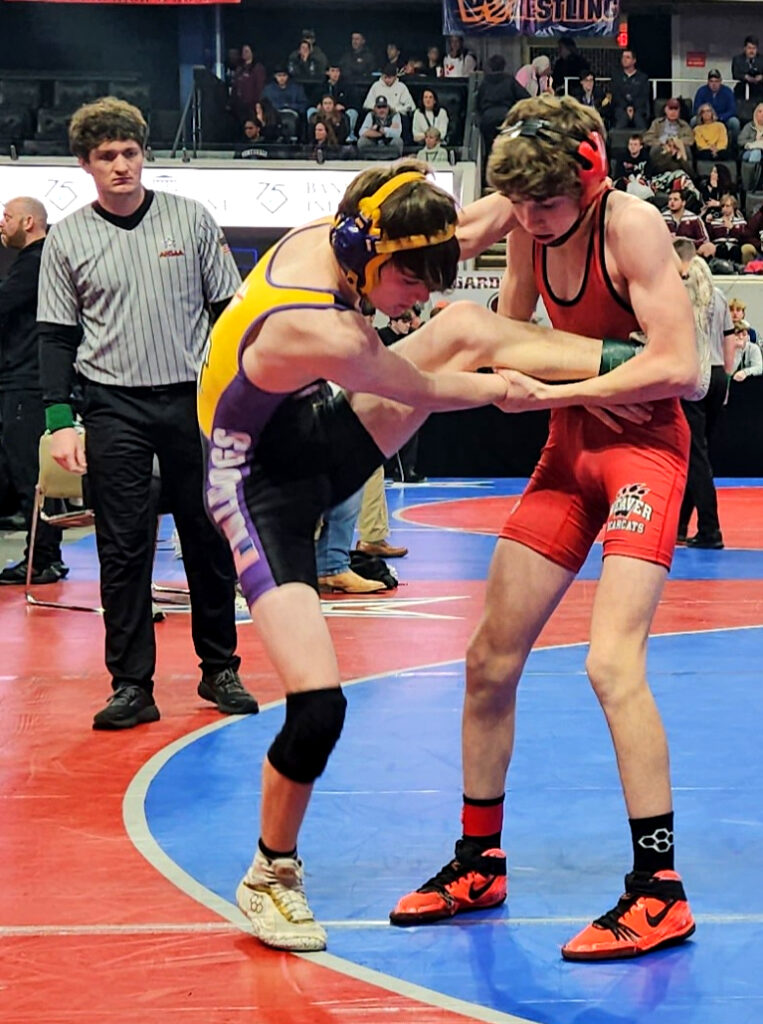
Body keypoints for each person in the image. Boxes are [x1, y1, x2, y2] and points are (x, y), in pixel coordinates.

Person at [198, 158, 649, 953]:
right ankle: (271, 871)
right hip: (253, 484)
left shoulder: (355, 239)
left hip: (310, 430)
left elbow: (482, 219)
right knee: (319, 705)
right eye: (412, 283)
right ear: (371, 258)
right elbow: (423, 390)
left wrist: (548, 168)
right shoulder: (317, 322)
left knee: (468, 330)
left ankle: (643, 362)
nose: (424, 297)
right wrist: (514, 390)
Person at [390, 96, 701, 963]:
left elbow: (682, 369)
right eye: (519, 208)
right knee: (488, 659)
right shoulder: (528, 223)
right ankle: (477, 860)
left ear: (589, 178)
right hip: (572, 451)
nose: (530, 222)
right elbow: (506, 336)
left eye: (547, 206)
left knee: (610, 664)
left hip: (642, 452)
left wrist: (560, 388)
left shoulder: (630, 226)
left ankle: (659, 890)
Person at [37, 97, 259, 730]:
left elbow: (229, 317)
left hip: (193, 400)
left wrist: (242, 399)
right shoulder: (68, 239)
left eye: (130, 153)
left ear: (145, 155)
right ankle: (132, 684)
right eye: (106, 156)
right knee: (124, 547)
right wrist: (58, 422)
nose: (120, 166)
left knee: (208, 537)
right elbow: (55, 336)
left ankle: (219, 668)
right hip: (112, 405)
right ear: (86, 164)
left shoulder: (191, 221)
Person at [0, 197, 67, 585]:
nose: (2, 224)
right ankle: (46, 555)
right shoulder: (39, 262)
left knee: (30, 476)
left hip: (25, 381)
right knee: (39, 476)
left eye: (7, 218)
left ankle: (40, 560)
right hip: (28, 378)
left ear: (28, 222)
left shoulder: (36, 262)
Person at [672, 238, 734, 549]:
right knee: (695, 454)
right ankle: (681, 525)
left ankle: (711, 529)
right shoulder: (719, 295)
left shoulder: (681, 295)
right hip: (719, 374)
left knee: (695, 456)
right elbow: (729, 340)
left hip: (695, 377)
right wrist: (728, 380)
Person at [692, 70, 740, 146]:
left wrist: (720, 117)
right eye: (711, 81)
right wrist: (705, 116)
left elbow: (732, 110)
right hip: (705, 118)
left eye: (716, 81)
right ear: (708, 82)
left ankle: (735, 147)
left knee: (735, 122)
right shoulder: (701, 91)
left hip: (722, 118)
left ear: (721, 81)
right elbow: (696, 109)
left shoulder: (727, 91)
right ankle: (695, 146)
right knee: (693, 120)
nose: (714, 84)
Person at [610, 49, 650, 130]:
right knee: (621, 120)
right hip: (621, 108)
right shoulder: (616, 77)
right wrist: (626, 107)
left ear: (634, 60)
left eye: (627, 57)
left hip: (638, 109)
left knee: (639, 121)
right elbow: (616, 95)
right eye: (623, 57)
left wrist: (633, 107)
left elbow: (643, 96)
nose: (624, 59)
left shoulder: (642, 78)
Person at [230, 44, 266, 122]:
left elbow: (260, 87)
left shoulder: (258, 68)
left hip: (251, 105)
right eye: (243, 51)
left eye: (246, 51)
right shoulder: (239, 69)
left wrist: (258, 103)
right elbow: (235, 86)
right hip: (239, 105)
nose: (244, 53)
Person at [738, 102, 763, 192]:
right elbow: (740, 141)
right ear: (755, 114)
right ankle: (751, 183)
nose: (762, 114)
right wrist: (754, 142)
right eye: (760, 111)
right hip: (749, 152)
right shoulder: (749, 126)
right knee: (756, 152)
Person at [731, 35, 763, 101]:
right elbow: (735, 74)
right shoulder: (737, 59)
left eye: (754, 48)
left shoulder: (761, 59)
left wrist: (761, 77)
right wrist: (745, 77)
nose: (752, 51)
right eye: (749, 48)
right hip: (741, 90)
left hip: (759, 90)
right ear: (745, 48)